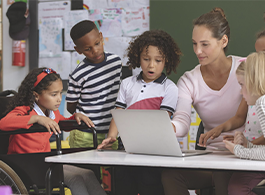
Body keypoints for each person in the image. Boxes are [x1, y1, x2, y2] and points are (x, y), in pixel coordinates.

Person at [162, 8, 247, 195]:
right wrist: (170, 127)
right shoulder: (189, 80)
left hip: (245, 156)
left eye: (205, 44)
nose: (197, 51)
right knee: (171, 175)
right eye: (194, 44)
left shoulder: (246, 69)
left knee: (222, 175)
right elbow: (182, 120)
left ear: (223, 41)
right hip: (211, 160)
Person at [98, 29, 182, 195]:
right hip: (126, 148)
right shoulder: (127, 84)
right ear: (138, 58)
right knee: (122, 187)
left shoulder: (169, 88)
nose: (151, 65)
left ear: (166, 61)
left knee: (149, 187)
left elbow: (162, 120)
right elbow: (119, 112)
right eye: (146, 59)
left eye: (158, 60)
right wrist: (111, 137)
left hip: (154, 151)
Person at [0, 67, 107, 195]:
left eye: (60, 93)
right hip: (26, 166)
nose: (59, 99)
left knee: (88, 174)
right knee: (75, 178)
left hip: (46, 162)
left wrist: (75, 117)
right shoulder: (25, 110)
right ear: (36, 95)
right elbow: (4, 123)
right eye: (53, 94)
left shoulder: (53, 113)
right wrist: (36, 119)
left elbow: (62, 122)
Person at [66, 20, 122, 149]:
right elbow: (71, 106)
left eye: (97, 44)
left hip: (111, 133)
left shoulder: (116, 62)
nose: (95, 51)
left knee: (110, 168)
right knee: (85, 169)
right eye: (87, 49)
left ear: (101, 37)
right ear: (78, 50)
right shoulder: (78, 74)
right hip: (85, 135)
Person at [224, 51, 265, 195]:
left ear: (254, 82)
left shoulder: (262, 102)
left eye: (242, 85)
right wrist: (250, 145)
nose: (241, 92)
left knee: (236, 187)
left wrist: (239, 151)